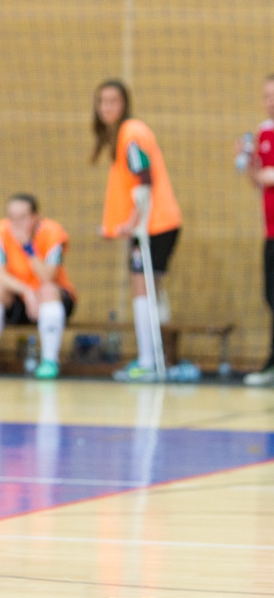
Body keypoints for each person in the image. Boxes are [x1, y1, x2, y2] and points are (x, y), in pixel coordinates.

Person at [93, 79, 182, 381]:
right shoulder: (122, 135)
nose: (107, 107)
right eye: (102, 101)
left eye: (113, 101)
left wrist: (132, 222)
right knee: (149, 293)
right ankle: (155, 360)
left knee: (145, 293)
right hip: (150, 226)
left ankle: (151, 361)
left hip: (153, 226)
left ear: (124, 103)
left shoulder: (130, 133)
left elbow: (145, 179)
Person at [0, 194, 77, 379]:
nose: (16, 223)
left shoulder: (54, 233)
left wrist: (28, 248)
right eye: (11, 217)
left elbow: (48, 276)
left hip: (51, 299)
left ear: (35, 217)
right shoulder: (1, 231)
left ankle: (49, 361)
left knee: (48, 290)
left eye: (22, 217)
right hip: (20, 299)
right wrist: (27, 291)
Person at [239, 74, 274, 386]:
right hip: (270, 231)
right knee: (271, 298)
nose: (271, 102)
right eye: (267, 96)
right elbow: (258, 179)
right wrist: (248, 161)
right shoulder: (264, 131)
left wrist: (264, 174)